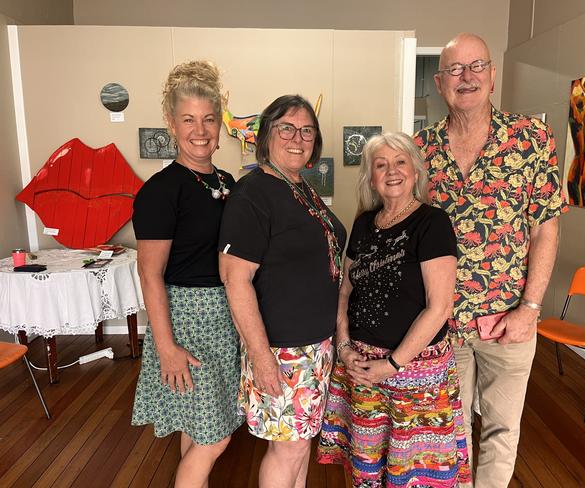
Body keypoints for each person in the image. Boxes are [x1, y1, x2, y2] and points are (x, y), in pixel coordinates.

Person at [414, 33, 567, 487]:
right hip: (442, 322)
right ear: (440, 83)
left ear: (493, 76)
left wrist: (530, 309)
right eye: (456, 70)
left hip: (509, 321)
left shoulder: (531, 138)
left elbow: (546, 229)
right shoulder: (419, 150)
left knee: (502, 430)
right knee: (450, 431)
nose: (467, 77)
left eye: (476, 66)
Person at [317, 132, 471, 488]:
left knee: (414, 476)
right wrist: (344, 347)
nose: (391, 171)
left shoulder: (432, 223)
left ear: (415, 172)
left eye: (400, 162)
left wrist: (393, 364)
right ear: (371, 177)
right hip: (361, 369)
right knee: (367, 469)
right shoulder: (363, 224)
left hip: (415, 375)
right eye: (381, 165)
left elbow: (439, 307)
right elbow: (345, 292)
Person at [218, 95, 346, 488]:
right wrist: (260, 355)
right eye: (286, 128)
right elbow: (234, 279)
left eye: (307, 130)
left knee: (300, 443)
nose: (298, 137)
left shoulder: (299, 187)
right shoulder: (252, 193)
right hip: (281, 349)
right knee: (287, 448)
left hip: (313, 345)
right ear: (266, 136)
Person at [131, 60, 242, 487]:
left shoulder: (228, 182)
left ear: (219, 124)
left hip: (226, 320)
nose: (200, 130)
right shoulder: (161, 190)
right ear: (171, 123)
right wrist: (167, 348)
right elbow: (149, 274)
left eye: (209, 119)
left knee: (200, 427)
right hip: (186, 323)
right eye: (189, 119)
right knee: (214, 438)